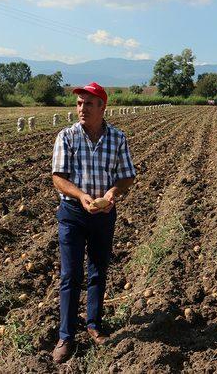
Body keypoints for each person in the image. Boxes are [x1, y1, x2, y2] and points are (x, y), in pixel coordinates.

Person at [51, 82, 136, 363]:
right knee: (71, 274)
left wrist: (113, 192)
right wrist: (82, 195)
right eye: (78, 104)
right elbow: (59, 178)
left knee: (99, 269)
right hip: (73, 213)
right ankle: (66, 335)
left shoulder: (117, 138)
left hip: (104, 215)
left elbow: (127, 176)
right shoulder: (67, 137)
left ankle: (94, 326)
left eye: (88, 104)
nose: (81, 109)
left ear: (102, 107)